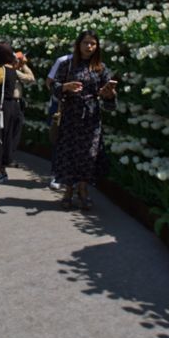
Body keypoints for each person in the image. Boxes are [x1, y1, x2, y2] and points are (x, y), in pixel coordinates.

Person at [51, 31, 117, 211]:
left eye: (93, 44)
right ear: (78, 45)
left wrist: (108, 95)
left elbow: (108, 100)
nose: (89, 47)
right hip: (71, 116)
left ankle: (83, 190)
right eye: (86, 43)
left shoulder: (100, 68)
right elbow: (54, 86)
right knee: (69, 153)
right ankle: (68, 191)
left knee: (89, 155)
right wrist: (65, 87)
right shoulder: (68, 65)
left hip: (91, 118)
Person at [0, 43, 33, 182]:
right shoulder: (13, 70)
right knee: (7, 137)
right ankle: (3, 168)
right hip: (12, 106)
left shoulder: (0, 70)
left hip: (1, 107)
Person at [45, 52, 72, 190]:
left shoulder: (94, 64)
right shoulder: (63, 60)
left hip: (81, 109)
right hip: (60, 106)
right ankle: (57, 174)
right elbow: (49, 82)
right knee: (58, 139)